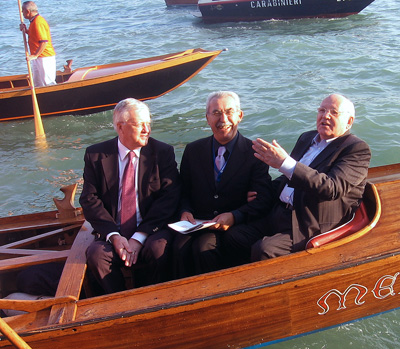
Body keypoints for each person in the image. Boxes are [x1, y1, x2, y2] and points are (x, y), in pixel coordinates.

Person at [224, 93, 371, 262]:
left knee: (265, 249)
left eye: (334, 112)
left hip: (309, 222)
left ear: (349, 121)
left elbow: (331, 188)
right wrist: (261, 191)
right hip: (279, 212)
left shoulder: (356, 149)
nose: (325, 116)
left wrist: (284, 162)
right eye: (321, 110)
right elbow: (288, 177)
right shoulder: (307, 138)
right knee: (235, 236)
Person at [79, 98, 181, 294]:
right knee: (96, 254)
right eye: (140, 124)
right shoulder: (95, 155)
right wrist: (114, 236)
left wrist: (139, 236)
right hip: (113, 230)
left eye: (148, 124)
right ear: (120, 127)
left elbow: (169, 198)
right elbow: (89, 199)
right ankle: (118, 302)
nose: (146, 130)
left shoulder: (162, 152)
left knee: (159, 248)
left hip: (150, 229)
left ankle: (153, 298)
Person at [173, 91, 274, 277]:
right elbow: (183, 190)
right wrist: (184, 210)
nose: (223, 119)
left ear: (240, 116)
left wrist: (235, 216)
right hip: (196, 222)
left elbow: (263, 200)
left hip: (231, 225)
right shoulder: (193, 150)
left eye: (229, 112)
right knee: (177, 248)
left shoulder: (255, 154)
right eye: (216, 113)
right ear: (207, 118)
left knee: (203, 247)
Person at [19, 1, 56, 86]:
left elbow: (44, 42)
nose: (22, 13)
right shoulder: (33, 21)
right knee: (38, 83)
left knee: (48, 82)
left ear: (28, 11)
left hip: (45, 57)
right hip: (37, 56)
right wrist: (26, 30)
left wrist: (35, 55)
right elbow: (35, 36)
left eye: (23, 10)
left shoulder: (38, 22)